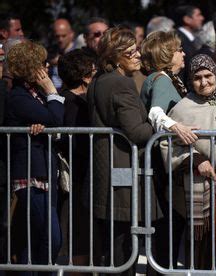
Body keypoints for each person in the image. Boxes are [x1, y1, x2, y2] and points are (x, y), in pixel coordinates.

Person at [160, 54, 216, 270]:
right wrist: (196, 160)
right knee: (204, 242)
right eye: (197, 78)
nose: (204, 82)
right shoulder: (182, 108)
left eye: (208, 75)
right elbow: (168, 144)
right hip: (201, 185)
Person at [87, 26, 153, 276]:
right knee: (122, 245)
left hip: (108, 170)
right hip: (122, 170)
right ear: (114, 57)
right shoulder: (121, 83)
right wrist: (159, 124)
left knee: (113, 244)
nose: (138, 55)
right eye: (131, 52)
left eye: (137, 50)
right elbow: (135, 132)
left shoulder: (99, 81)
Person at [140, 30, 198, 274]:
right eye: (179, 50)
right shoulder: (161, 79)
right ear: (166, 54)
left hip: (165, 163)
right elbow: (155, 113)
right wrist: (177, 127)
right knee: (169, 225)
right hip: (163, 164)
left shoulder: (165, 78)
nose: (183, 54)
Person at [5, 40, 64, 274]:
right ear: (31, 68)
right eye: (42, 63)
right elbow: (56, 119)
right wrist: (51, 90)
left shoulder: (33, 94)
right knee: (51, 237)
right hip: (29, 175)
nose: (47, 67)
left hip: (42, 172)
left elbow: (53, 119)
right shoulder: (19, 97)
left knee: (34, 239)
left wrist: (47, 113)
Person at [57, 48, 96, 267]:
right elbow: (75, 143)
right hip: (77, 183)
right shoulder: (72, 104)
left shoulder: (70, 100)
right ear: (85, 75)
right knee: (79, 241)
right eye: (94, 68)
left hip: (80, 182)